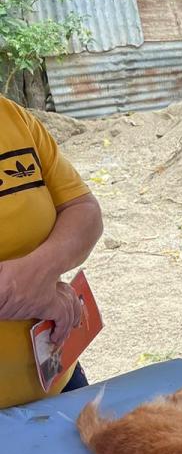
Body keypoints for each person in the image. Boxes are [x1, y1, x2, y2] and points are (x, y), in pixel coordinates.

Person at [0, 96, 103, 408]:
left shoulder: (12, 117)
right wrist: (27, 292)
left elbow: (83, 210)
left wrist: (41, 269)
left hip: (58, 378)